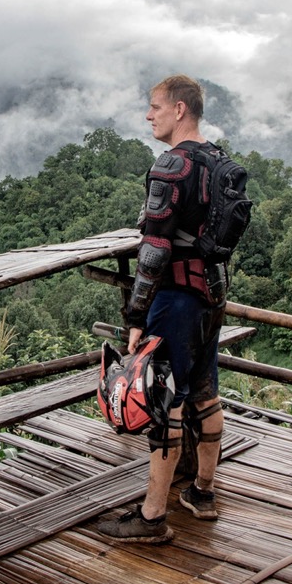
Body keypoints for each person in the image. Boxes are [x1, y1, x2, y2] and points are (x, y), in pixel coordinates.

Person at [97, 74, 227, 544]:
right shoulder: (218, 160)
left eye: (155, 106)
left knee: (163, 402)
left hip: (175, 301)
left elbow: (154, 250)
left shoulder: (171, 166)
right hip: (211, 295)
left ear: (179, 109)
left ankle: (152, 518)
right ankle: (202, 492)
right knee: (205, 394)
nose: (148, 115)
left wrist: (136, 316)